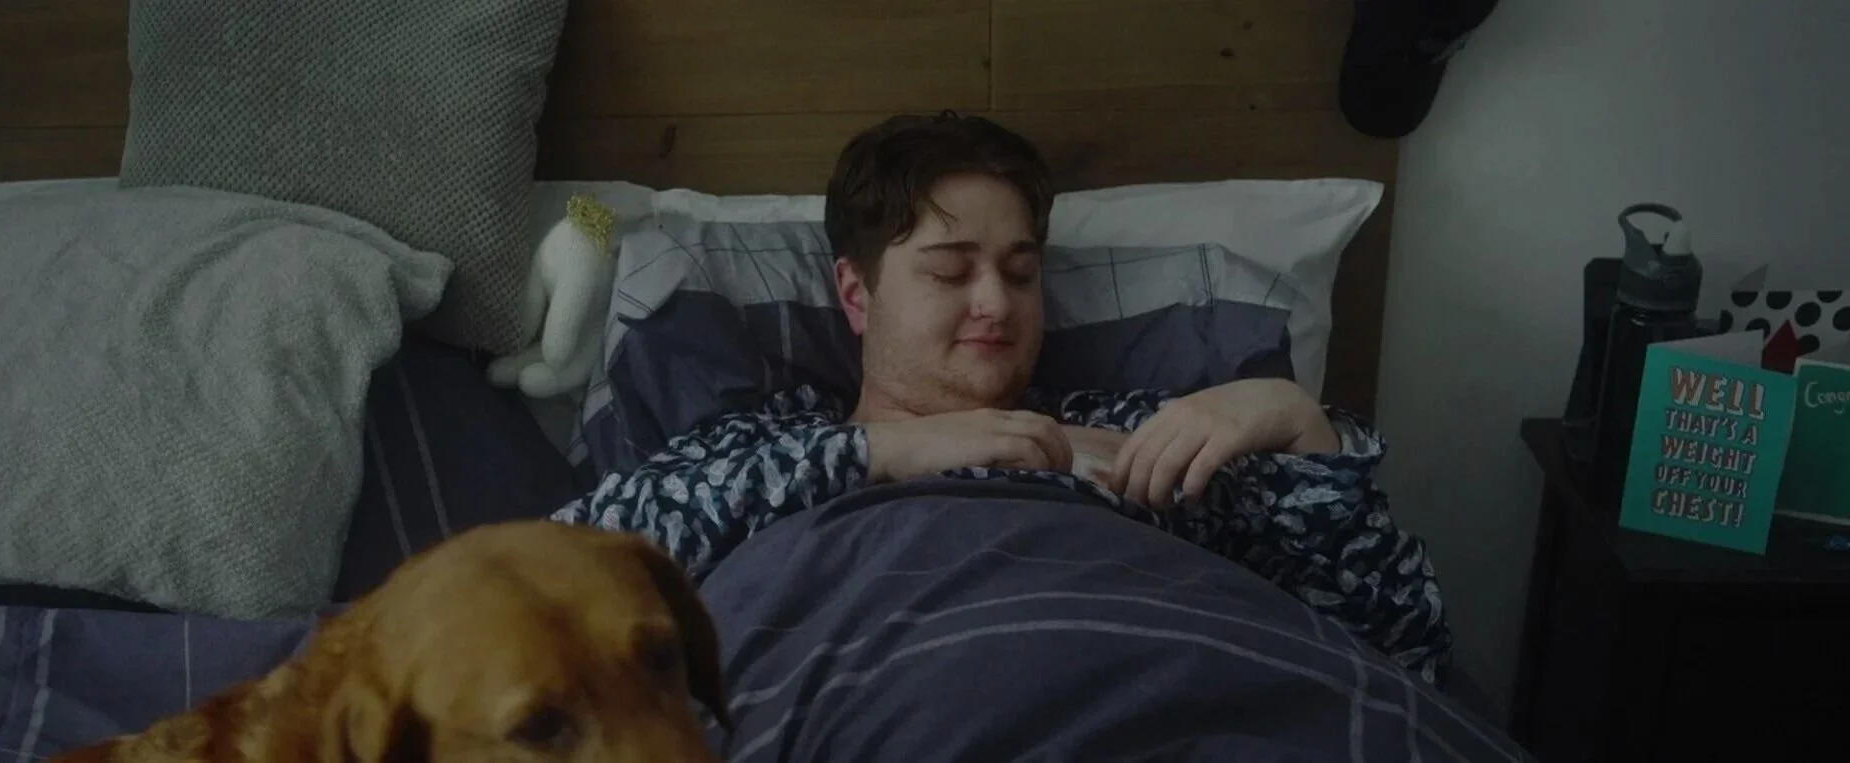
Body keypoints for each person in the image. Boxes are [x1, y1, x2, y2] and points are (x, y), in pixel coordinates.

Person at [553, 112, 1451, 685]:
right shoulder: (767, 445)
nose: (996, 302)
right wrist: (888, 452)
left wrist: (1299, 425)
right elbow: (573, 562)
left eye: (1021, 273)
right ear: (856, 294)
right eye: (950, 270)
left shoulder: (1143, 430)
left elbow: (1399, 639)